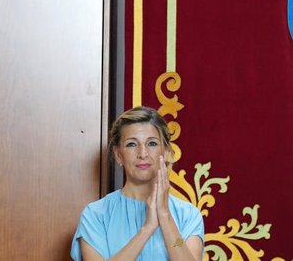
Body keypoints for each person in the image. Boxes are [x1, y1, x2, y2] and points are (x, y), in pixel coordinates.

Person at [70, 106, 204, 260]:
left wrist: (165, 217)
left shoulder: (187, 215)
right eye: (131, 144)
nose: (143, 153)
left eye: (152, 143)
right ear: (118, 155)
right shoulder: (95, 215)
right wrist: (146, 229)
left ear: (166, 151)